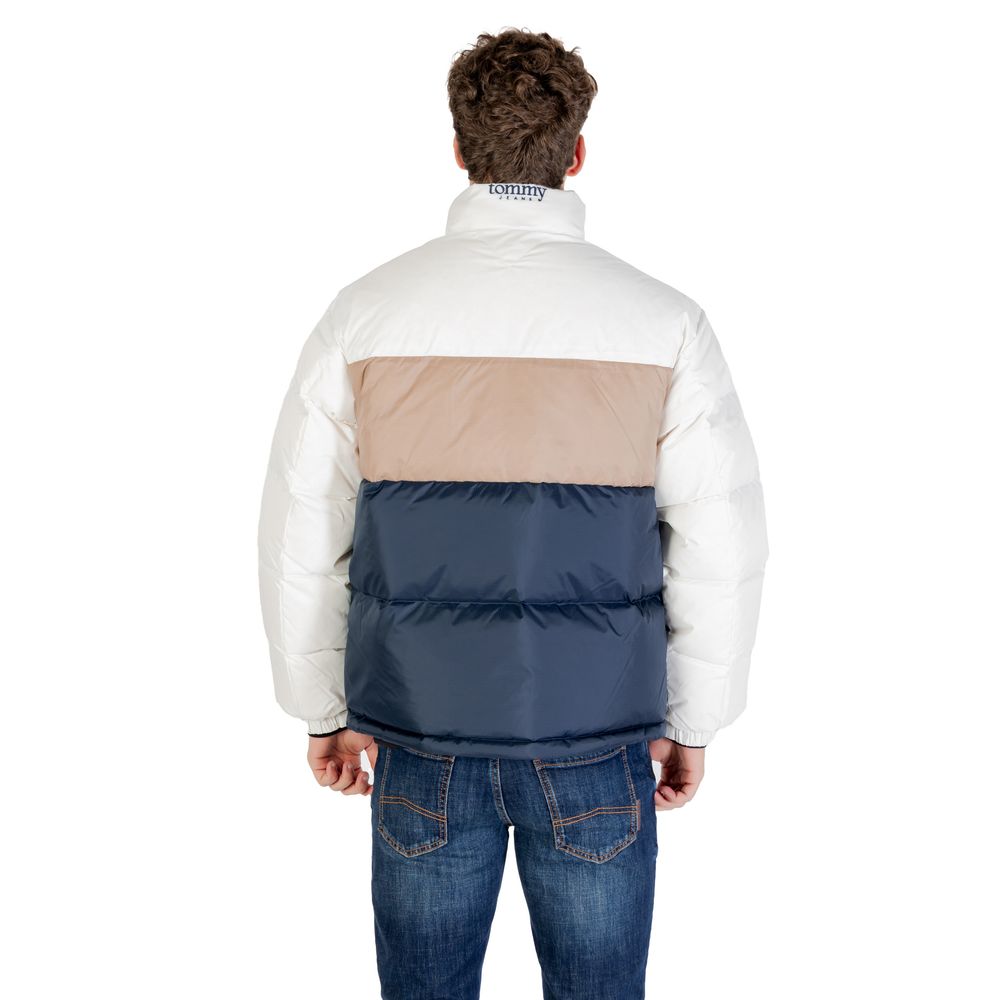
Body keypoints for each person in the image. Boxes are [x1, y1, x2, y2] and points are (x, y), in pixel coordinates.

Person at [257, 27, 768, 1000]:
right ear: (577, 154)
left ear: (459, 150)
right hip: (598, 740)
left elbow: (302, 532)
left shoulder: (366, 314)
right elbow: (719, 545)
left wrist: (320, 708)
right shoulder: (663, 323)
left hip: (419, 735)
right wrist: (695, 721)